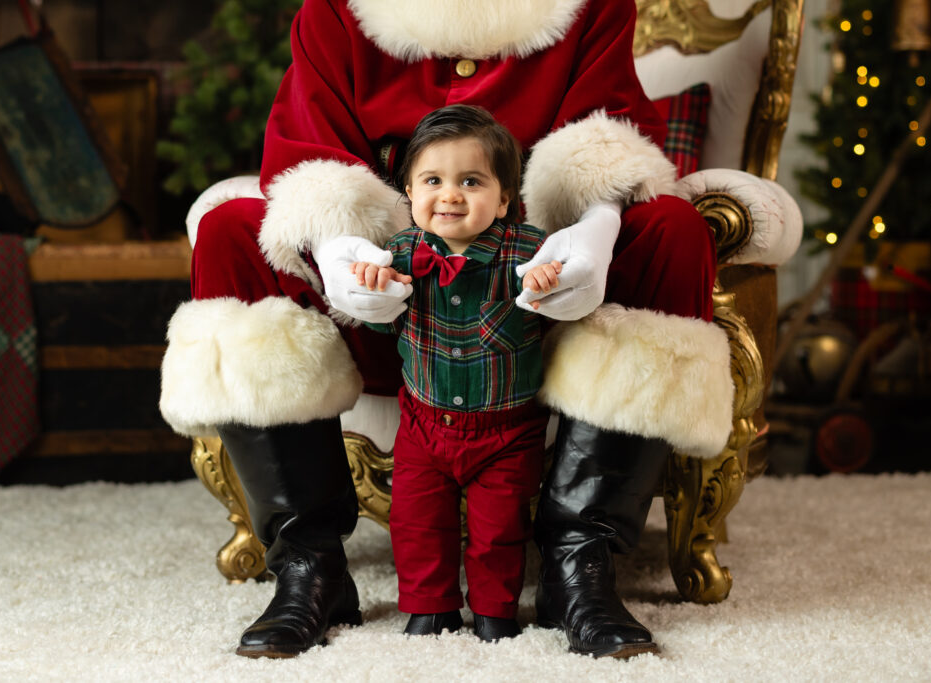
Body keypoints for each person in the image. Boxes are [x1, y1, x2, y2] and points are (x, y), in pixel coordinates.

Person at [159, 0, 734, 660]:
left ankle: (581, 562)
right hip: (385, 313)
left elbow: (607, 129)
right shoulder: (337, 10)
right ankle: (308, 564)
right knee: (232, 231)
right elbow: (307, 145)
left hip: (538, 315)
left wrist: (597, 230)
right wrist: (333, 246)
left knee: (673, 231)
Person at [348, 105, 562, 642]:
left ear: (505, 199)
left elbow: (567, 300)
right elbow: (379, 328)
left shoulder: (527, 249)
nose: (450, 195)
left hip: (507, 429)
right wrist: (375, 291)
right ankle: (430, 607)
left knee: (500, 528)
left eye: (471, 181)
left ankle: (495, 611)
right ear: (411, 194)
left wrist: (549, 280)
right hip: (424, 423)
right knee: (417, 522)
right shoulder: (400, 253)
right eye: (433, 181)